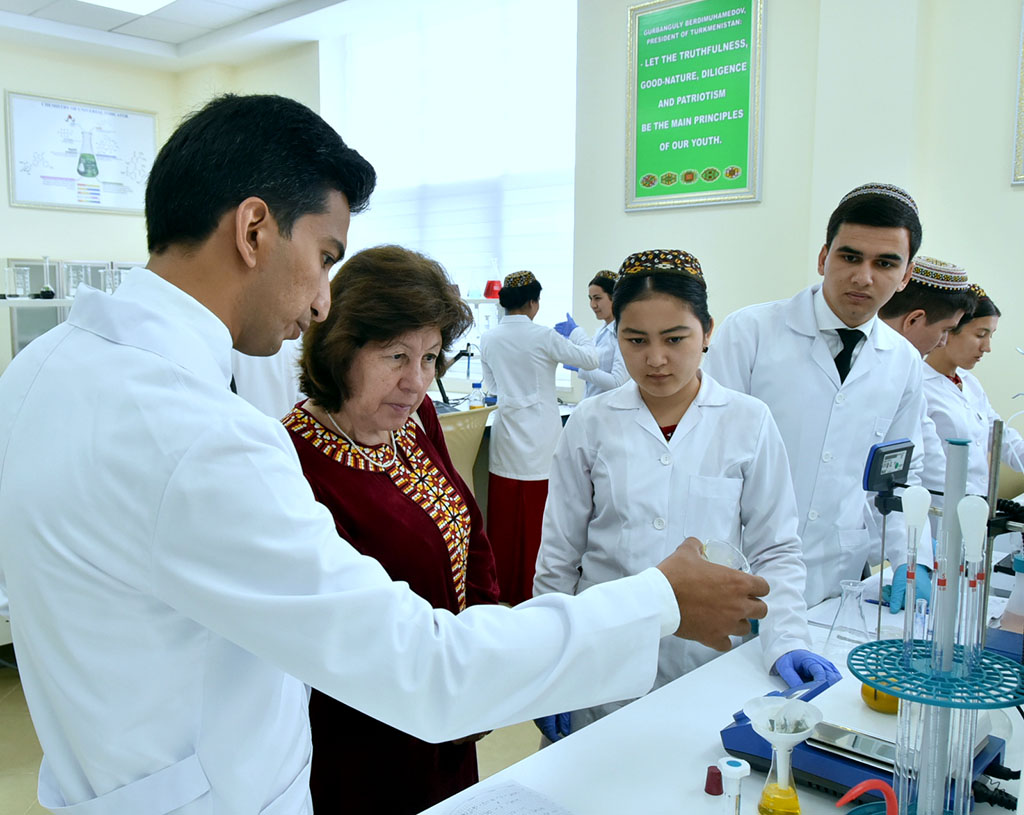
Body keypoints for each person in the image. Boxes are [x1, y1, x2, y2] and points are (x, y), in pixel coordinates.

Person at [0, 93, 771, 814]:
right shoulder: (204, 434)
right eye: (325, 256)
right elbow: (423, 666)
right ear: (254, 229)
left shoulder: (43, 369)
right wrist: (659, 600)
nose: (321, 300)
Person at [533, 250, 837, 738]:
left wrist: (787, 640)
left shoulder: (748, 420)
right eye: (636, 340)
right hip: (602, 660)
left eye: (675, 339)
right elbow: (559, 554)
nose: (655, 359)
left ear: (707, 331)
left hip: (709, 661)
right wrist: (551, 663)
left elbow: (775, 548)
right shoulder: (591, 422)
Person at [283, 244, 501, 814]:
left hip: (454, 704)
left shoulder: (413, 419)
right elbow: (344, 633)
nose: (417, 382)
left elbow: (469, 530)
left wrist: (480, 662)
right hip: (368, 731)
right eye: (397, 356)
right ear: (340, 349)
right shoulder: (293, 461)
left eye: (430, 358)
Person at [705, 182, 927, 606]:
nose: (863, 277)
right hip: (741, 561)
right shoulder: (750, 333)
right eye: (850, 257)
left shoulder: (903, 361)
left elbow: (896, 476)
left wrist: (911, 561)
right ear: (824, 257)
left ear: (906, 276)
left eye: (885, 263)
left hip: (833, 574)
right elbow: (709, 459)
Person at [480, 271, 601, 604]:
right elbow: (591, 360)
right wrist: (577, 332)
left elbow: (491, 387)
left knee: (505, 518)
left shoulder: (489, 338)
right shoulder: (543, 336)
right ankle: (535, 591)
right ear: (533, 302)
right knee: (540, 517)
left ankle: (502, 590)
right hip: (542, 437)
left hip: (507, 434)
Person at [877, 257, 977, 610]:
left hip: (858, 547)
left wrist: (919, 557)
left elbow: (922, 466)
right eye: (946, 330)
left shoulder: (908, 374)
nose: (943, 342)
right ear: (915, 319)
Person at [925, 286, 1024, 499]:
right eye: (980, 335)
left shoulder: (969, 383)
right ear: (950, 330)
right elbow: (929, 466)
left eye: (991, 336)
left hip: (976, 507)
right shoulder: (920, 387)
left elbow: (1000, 437)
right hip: (939, 508)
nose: (987, 347)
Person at [569, 269, 628, 399]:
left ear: (614, 297)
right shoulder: (601, 331)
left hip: (610, 407)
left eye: (597, 298)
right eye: (590, 299)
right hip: (591, 405)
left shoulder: (622, 333)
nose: (592, 305)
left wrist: (581, 369)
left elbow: (617, 382)